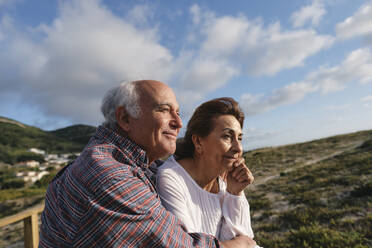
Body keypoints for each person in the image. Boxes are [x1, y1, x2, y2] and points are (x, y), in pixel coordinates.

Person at [39, 80, 257, 247]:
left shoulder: (130, 165)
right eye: (163, 109)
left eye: (178, 113)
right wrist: (242, 244)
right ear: (125, 118)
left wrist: (234, 194)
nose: (179, 123)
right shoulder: (110, 176)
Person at [157, 97, 262, 247]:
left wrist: (234, 193)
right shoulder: (171, 178)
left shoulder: (227, 179)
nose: (238, 148)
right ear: (198, 142)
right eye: (227, 136)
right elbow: (186, 244)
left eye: (239, 138)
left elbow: (245, 239)